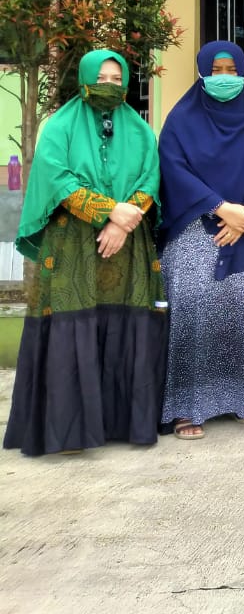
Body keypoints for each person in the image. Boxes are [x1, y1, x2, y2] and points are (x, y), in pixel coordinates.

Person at [4, 50, 167, 456]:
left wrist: (121, 223)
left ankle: (122, 423)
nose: (108, 85)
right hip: (72, 244)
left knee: (123, 324)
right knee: (73, 322)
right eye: (101, 78)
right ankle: (68, 431)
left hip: (126, 244)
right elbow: (57, 177)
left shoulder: (140, 129)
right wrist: (109, 211)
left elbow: (150, 177)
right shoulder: (59, 126)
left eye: (117, 79)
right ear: (84, 79)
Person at [157, 42, 244, 440]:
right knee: (194, 311)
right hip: (196, 225)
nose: (224, 77)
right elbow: (173, 168)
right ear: (202, 72)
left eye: (231, 70)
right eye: (216, 69)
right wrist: (220, 207)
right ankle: (187, 407)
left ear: (243, 72)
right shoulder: (181, 120)